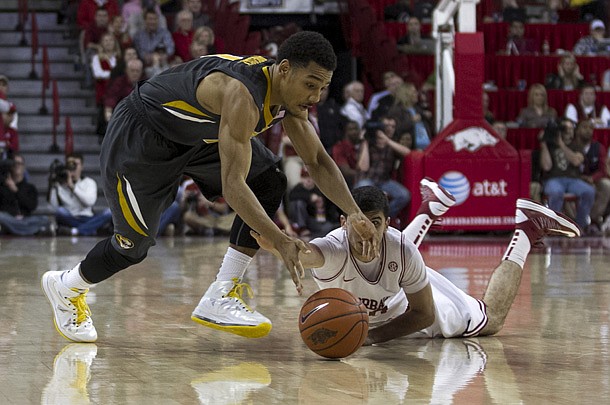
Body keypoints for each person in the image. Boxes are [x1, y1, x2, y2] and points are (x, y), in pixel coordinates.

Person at [41, 31, 378, 343]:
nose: (316, 97)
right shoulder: (242, 95)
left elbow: (317, 161)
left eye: (323, 88)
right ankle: (67, 286)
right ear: (285, 70)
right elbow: (233, 187)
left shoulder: (289, 99)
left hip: (196, 139)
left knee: (269, 179)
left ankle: (223, 291)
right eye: (311, 85)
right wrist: (279, 240)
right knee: (133, 246)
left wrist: (354, 213)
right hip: (142, 138)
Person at [252, 179, 581, 344]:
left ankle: (526, 227)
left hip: (411, 308)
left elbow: (423, 314)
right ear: (342, 222)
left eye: (375, 223)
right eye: (357, 222)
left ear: (388, 223)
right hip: (394, 289)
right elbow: (303, 251)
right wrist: (280, 244)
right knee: (400, 255)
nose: (366, 231)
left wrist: (368, 336)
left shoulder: (400, 247)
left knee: (490, 321)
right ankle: (432, 208)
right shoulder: (333, 249)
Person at [540, 120, 595, 230]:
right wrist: (544, 144)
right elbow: (546, 166)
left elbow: (576, 161)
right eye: (565, 128)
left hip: (573, 179)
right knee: (556, 192)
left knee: (589, 191)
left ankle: (579, 226)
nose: (568, 131)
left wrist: (561, 144)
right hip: (553, 179)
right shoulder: (550, 145)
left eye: (571, 129)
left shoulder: (576, 146)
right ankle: (554, 227)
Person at [355, 116, 411, 222]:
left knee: (404, 195)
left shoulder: (392, 143)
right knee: (363, 191)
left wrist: (387, 141)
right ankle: (365, 220)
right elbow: (363, 167)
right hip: (368, 179)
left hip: (384, 181)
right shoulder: (368, 143)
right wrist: (365, 142)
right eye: (386, 126)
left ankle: (383, 218)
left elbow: (408, 153)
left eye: (392, 127)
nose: (389, 129)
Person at [48, 153, 113, 237]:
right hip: (70, 218)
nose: (72, 167)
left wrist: (72, 187)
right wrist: (53, 186)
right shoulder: (60, 185)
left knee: (109, 212)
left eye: (75, 164)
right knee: (60, 211)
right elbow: (53, 208)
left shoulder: (89, 182)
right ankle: (90, 229)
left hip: (88, 217)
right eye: (69, 164)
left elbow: (89, 202)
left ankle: (76, 231)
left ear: (82, 166)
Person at [0, 155, 53, 236]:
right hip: (9, 218)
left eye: (19, 163)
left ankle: (14, 230)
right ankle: (30, 230)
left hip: (25, 219)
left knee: (45, 219)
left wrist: (16, 191)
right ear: (11, 167)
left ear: (24, 167)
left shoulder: (30, 187)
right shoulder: (2, 186)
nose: (17, 165)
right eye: (15, 163)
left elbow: (32, 206)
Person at [573, 119, 610, 234]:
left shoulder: (598, 147)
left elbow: (603, 169)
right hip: (574, 179)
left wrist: (592, 178)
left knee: (606, 185)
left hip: (592, 178)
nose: (588, 131)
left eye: (590, 128)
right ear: (577, 130)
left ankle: (593, 219)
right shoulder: (571, 146)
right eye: (584, 127)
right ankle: (574, 220)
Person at [331, 120, 369, 189]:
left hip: (367, 179)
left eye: (356, 129)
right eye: (351, 129)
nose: (355, 132)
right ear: (346, 131)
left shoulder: (363, 144)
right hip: (347, 183)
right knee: (366, 184)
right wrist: (363, 175)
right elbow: (346, 171)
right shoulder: (339, 147)